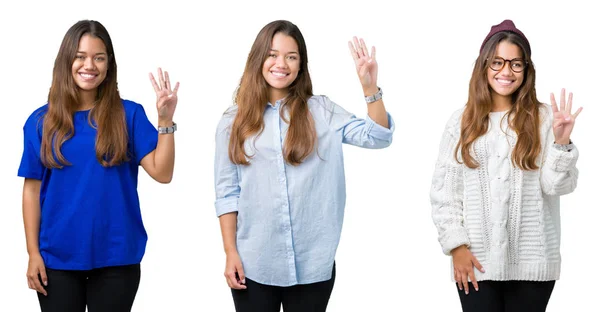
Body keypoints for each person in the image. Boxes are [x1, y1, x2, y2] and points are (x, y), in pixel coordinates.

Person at [213, 20, 394, 312]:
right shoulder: (232, 122)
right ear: (259, 59)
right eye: (272, 54)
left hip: (313, 264)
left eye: (291, 56)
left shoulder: (322, 112)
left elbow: (378, 137)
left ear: (300, 65)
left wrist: (370, 88)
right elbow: (227, 192)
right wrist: (230, 252)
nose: (280, 63)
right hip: (254, 262)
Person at [18, 20, 179, 312]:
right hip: (57, 258)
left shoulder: (128, 114)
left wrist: (165, 122)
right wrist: (32, 253)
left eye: (98, 57)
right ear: (66, 60)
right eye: (80, 56)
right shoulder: (41, 122)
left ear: (108, 65)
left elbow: (162, 172)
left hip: (117, 257)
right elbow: (31, 191)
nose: (88, 65)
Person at [430, 19, 581, 312]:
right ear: (484, 66)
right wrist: (456, 246)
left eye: (515, 63)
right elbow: (444, 192)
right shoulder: (462, 121)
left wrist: (562, 143)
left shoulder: (545, 118)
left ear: (526, 69)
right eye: (497, 62)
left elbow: (557, 186)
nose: (506, 71)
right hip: (475, 262)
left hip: (533, 265)